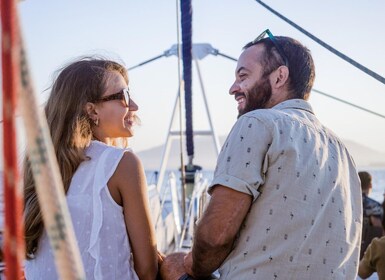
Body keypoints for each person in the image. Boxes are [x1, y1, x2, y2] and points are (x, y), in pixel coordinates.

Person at [161, 29, 362, 279]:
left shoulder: (258, 123)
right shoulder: (343, 153)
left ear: (279, 77)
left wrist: (191, 265)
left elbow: (216, 237)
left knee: (171, 264)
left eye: (243, 76)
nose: (233, 88)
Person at [23, 58, 159, 279]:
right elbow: (147, 271)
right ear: (92, 110)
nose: (134, 105)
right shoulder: (122, 164)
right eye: (123, 96)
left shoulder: (37, 169)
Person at [359, 171, 384, 259]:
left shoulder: (348, 204)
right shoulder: (373, 205)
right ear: (370, 185)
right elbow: (378, 227)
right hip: (368, 251)